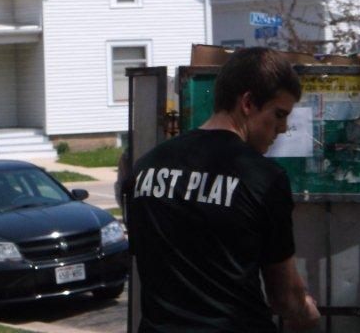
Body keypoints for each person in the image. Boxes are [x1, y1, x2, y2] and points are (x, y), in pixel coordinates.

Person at [123, 47, 321, 332]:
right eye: (279, 114)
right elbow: (284, 297)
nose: (282, 128)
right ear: (248, 103)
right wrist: (306, 309)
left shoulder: (144, 168)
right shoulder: (263, 178)